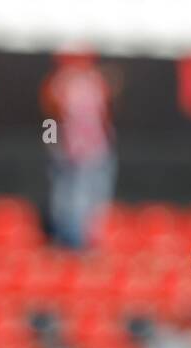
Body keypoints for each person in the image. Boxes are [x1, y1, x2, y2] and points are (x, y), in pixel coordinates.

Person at [40, 51, 117, 249]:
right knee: (67, 199)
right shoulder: (59, 83)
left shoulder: (95, 81)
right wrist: (53, 145)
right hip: (68, 153)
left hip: (95, 151)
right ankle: (69, 241)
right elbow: (49, 119)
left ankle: (86, 241)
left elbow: (105, 115)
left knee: (93, 200)